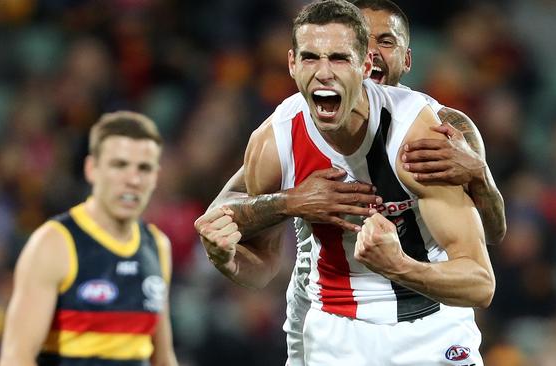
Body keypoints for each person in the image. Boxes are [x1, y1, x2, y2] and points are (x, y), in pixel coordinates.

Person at [195, 0, 505, 364]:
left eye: (341, 58)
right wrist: (284, 207)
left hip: (433, 322)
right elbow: (249, 253)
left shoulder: (429, 137)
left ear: (368, 63)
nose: (325, 72)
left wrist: (480, 177)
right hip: (332, 320)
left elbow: (484, 271)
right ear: (292, 64)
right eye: (312, 57)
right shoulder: (278, 137)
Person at [0, 111, 178, 366]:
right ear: (92, 169)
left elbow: (162, 357)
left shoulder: (158, 246)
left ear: (156, 177)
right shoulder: (55, 243)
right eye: (120, 165)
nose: (133, 180)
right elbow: (16, 358)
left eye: (144, 168)